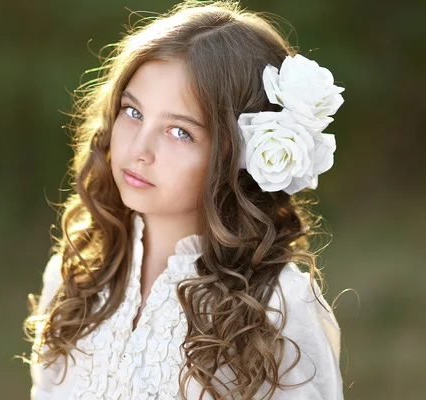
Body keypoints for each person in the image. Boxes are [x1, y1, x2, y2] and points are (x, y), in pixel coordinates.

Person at [21, 0, 346, 398]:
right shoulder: (76, 277)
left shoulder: (277, 307)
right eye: (133, 111)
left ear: (238, 153)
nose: (140, 148)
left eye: (180, 132)